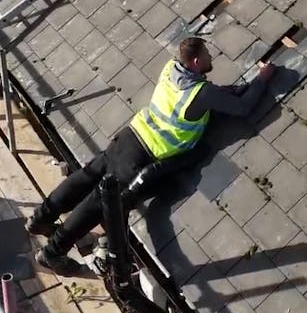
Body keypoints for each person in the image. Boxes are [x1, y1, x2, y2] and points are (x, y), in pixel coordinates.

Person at [27, 36, 277, 275]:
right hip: (142, 155)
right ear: (197, 62)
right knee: (97, 204)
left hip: (129, 135)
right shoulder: (199, 93)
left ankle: (40, 220)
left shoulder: (172, 68)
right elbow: (243, 108)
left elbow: (215, 95)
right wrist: (263, 79)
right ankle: (53, 252)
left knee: (85, 176)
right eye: (207, 55)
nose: (213, 57)